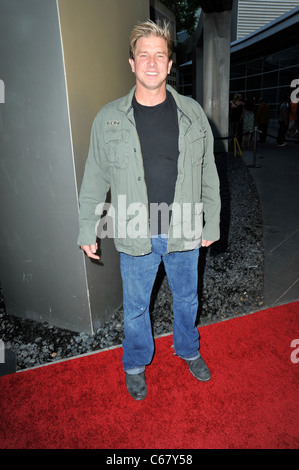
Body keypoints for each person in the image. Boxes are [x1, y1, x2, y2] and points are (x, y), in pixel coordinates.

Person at [77, 20, 221, 401]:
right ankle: (136, 362)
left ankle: (188, 349)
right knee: (137, 307)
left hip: (185, 227)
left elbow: (208, 171)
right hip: (136, 227)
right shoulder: (108, 119)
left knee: (188, 297)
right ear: (131, 63)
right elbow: (94, 178)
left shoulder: (193, 114)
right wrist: (86, 228)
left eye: (160, 55)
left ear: (171, 64)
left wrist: (213, 219)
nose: (152, 62)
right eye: (145, 55)